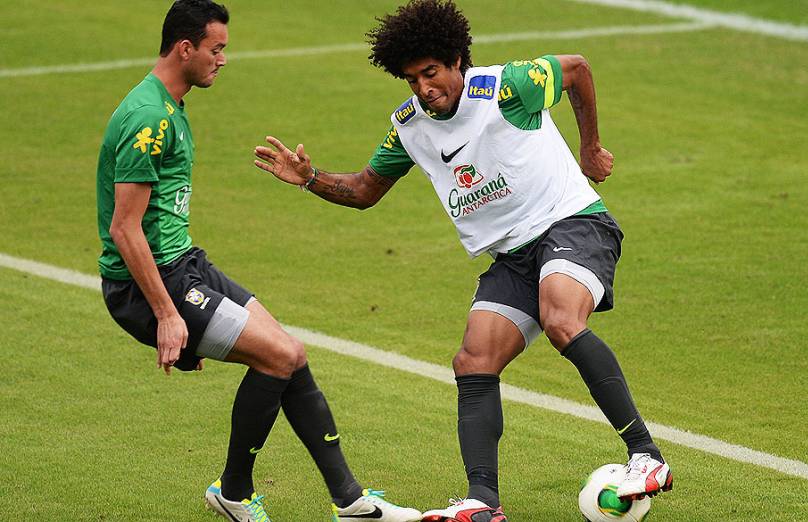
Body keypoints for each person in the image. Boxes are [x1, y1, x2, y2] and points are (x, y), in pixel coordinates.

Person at [254, 0, 673, 520]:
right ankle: (484, 502)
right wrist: (311, 179)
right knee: (474, 359)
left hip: (572, 223)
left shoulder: (507, 86)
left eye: (431, 72)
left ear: (457, 60)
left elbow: (578, 69)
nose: (424, 88)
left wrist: (590, 147)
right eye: (411, 79)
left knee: (560, 316)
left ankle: (646, 457)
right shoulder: (409, 127)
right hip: (512, 256)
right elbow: (365, 190)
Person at [95, 2, 422, 521]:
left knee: (292, 353)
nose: (222, 59)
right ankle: (234, 492)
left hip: (185, 264)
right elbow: (124, 228)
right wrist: (168, 315)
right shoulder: (149, 119)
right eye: (216, 48)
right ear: (186, 48)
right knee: (277, 356)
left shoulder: (166, 106)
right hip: (148, 285)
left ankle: (352, 502)